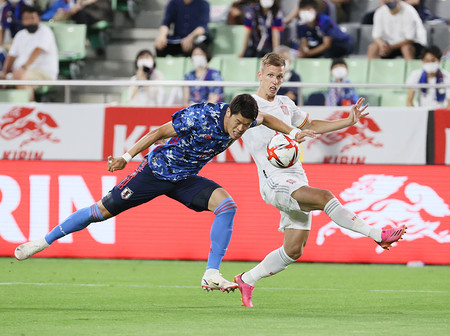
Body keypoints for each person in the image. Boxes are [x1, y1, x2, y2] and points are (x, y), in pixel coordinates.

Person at [14, 93, 315, 292]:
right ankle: (42, 241)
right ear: (229, 112)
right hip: (155, 172)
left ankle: (211, 273)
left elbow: (267, 119)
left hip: (186, 179)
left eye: (245, 126)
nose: (239, 131)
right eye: (237, 124)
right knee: (99, 212)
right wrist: (126, 157)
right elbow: (159, 132)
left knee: (227, 205)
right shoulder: (200, 115)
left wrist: (291, 132)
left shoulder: (248, 119)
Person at [233, 52, 407, 307]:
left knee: (294, 250)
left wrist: (347, 121)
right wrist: (293, 133)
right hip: (273, 181)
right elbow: (235, 129)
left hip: (295, 176)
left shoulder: (285, 103)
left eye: (279, 76)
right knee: (324, 196)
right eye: (270, 75)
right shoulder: (248, 106)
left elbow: (311, 123)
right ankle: (377, 234)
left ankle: (246, 279)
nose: (274, 81)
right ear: (260, 75)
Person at [0, 5, 58, 101]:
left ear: (39, 19)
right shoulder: (20, 35)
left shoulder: (45, 32)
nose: (30, 21)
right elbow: (11, 56)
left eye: (32, 18)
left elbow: (37, 51)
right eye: (27, 19)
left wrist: (23, 68)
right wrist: (5, 73)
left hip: (43, 74)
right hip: (19, 72)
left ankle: (31, 109)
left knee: (22, 78)